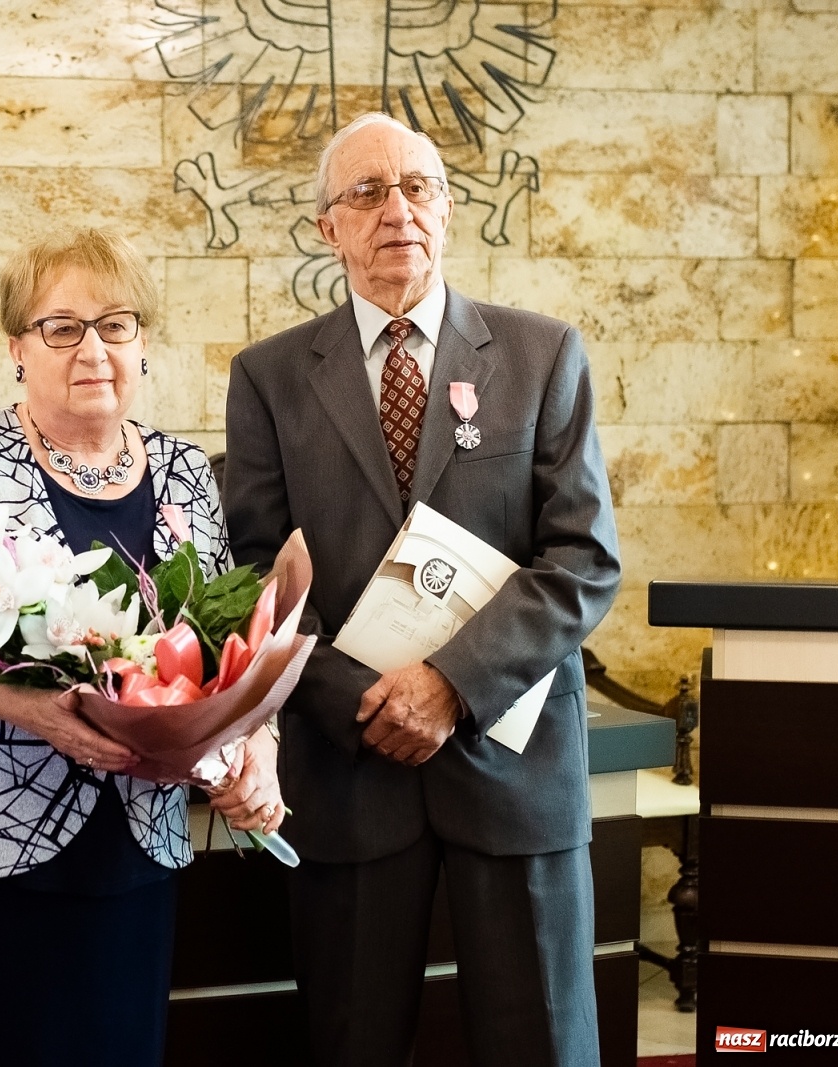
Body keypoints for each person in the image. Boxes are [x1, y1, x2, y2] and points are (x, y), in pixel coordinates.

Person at [223, 112, 621, 1067]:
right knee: (352, 1042)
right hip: (350, 768)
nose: (396, 209)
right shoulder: (270, 376)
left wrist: (448, 684)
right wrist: (359, 699)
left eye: (419, 187)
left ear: (448, 208)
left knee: (544, 1046)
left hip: (515, 763)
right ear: (328, 228)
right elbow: (258, 569)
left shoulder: (542, 355)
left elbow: (583, 560)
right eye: (366, 193)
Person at [0, 228, 282, 1067]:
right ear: (18, 348)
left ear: (142, 344)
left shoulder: (183, 470)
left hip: (136, 851)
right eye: (61, 327)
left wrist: (255, 745)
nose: (93, 348)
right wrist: (38, 713)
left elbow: (225, 654)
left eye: (117, 324)